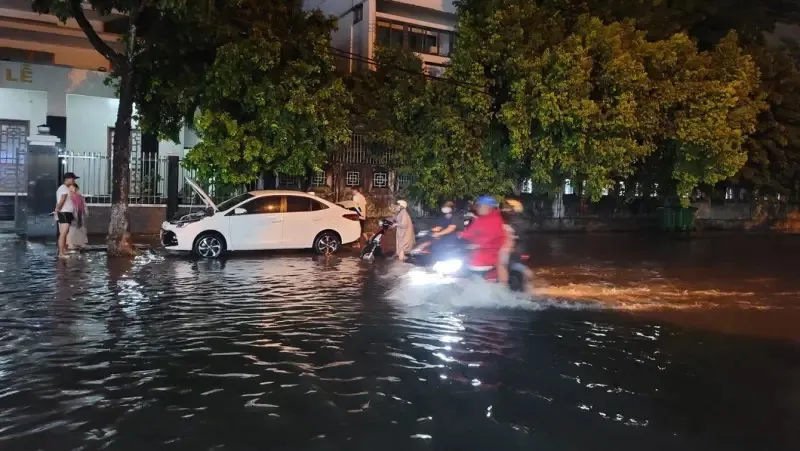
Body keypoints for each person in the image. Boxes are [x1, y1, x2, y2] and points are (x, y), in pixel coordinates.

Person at [459, 195, 506, 273]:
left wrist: (479, 245)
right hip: (474, 256)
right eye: (477, 206)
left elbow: (494, 238)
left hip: (487, 259)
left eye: (480, 206)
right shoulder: (480, 219)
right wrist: (460, 235)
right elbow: (470, 233)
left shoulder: (495, 220)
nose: (477, 208)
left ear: (488, 207)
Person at [54, 172, 78, 259]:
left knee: (65, 233)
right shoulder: (63, 188)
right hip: (64, 213)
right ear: (67, 179)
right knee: (63, 233)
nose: (74, 180)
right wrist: (57, 210)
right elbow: (62, 200)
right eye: (73, 178)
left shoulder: (65, 188)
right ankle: (61, 253)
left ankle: (64, 250)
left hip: (66, 212)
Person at [66, 183, 89, 251]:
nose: (71, 189)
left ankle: (81, 243)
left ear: (76, 189)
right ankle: (71, 244)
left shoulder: (80, 197)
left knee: (81, 228)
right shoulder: (68, 197)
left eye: (72, 188)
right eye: (69, 188)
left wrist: (86, 212)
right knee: (72, 229)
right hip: (72, 213)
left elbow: (84, 205)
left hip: (80, 213)